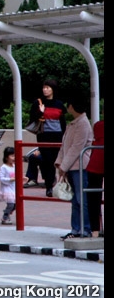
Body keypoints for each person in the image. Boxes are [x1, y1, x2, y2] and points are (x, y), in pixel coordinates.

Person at [56, 92, 94, 240]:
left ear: (72, 106)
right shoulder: (74, 123)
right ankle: (76, 228)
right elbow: (65, 145)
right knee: (75, 199)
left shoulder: (83, 123)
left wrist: (63, 166)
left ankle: (85, 228)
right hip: (71, 166)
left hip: (80, 166)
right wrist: (60, 162)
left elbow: (76, 147)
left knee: (81, 199)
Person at [29, 79, 66, 197]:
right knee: (46, 160)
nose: (45, 90)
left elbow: (63, 122)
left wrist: (65, 136)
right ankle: (49, 186)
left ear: (53, 89)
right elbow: (32, 119)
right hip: (44, 136)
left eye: (48, 88)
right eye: (44, 87)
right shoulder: (38, 103)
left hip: (57, 136)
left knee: (54, 161)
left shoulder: (59, 104)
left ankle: (53, 184)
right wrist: (40, 112)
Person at [86, 118, 104, 237]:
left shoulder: (98, 125)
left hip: (95, 162)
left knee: (93, 197)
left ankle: (95, 230)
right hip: (97, 162)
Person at [0, 146, 18, 225]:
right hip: (7, 189)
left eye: (15, 155)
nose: (14, 158)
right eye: (12, 156)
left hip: (14, 188)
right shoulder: (4, 167)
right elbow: (0, 178)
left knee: (16, 204)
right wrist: (10, 179)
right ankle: (5, 217)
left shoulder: (15, 166)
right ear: (6, 157)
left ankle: (7, 212)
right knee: (11, 204)